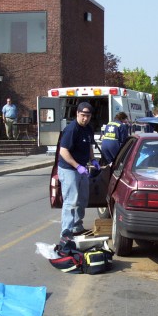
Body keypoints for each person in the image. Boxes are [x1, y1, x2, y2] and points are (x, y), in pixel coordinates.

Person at [57, 101, 98, 237]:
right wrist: (77, 166)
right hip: (69, 169)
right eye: (82, 115)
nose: (85, 118)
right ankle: (66, 231)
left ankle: (77, 227)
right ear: (77, 114)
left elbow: (89, 146)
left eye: (88, 116)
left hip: (82, 169)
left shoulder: (88, 129)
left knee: (82, 200)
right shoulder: (72, 129)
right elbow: (63, 151)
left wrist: (93, 160)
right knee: (71, 200)